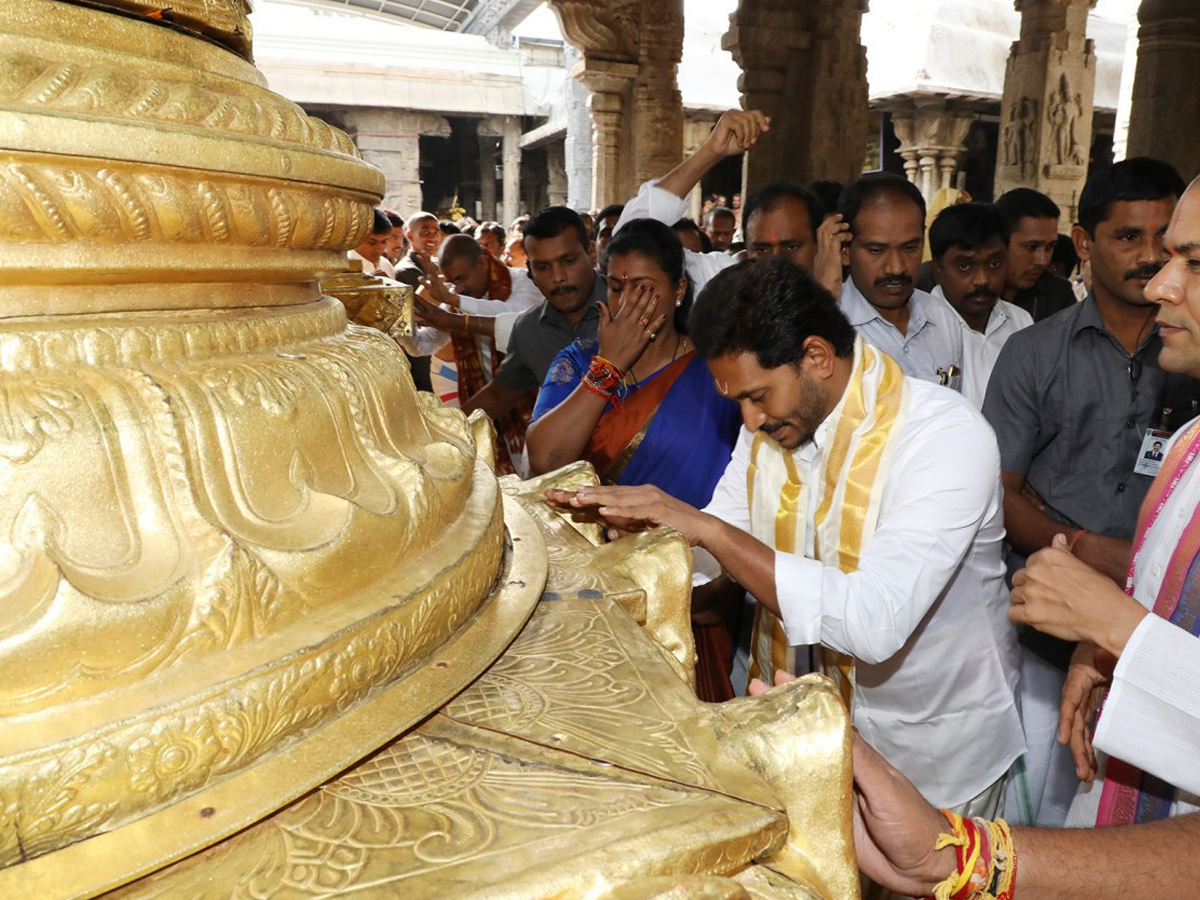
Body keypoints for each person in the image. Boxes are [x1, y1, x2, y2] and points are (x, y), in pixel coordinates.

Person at [549, 257, 1024, 823]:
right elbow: (714, 549)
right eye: (737, 403)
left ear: (817, 357)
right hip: (800, 741)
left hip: (932, 756)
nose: (748, 422)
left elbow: (873, 624)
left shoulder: (944, 437)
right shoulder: (776, 427)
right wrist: (649, 538)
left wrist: (705, 529)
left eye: (757, 395)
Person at [983, 156, 1198, 828]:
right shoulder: (1036, 354)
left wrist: (1120, 605)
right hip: (1056, 636)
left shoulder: (1186, 369)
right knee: (1051, 805)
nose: (1156, 270)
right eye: (1129, 239)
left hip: (1153, 635)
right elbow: (998, 490)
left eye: (1179, 252)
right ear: (1085, 243)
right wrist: (1080, 551)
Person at [615, 109, 846, 300]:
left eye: (791, 247)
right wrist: (711, 151)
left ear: (821, 245)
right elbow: (631, 239)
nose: (776, 263)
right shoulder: (729, 288)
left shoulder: (859, 302)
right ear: (747, 249)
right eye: (762, 249)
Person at [462, 207, 604, 422]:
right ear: (530, 271)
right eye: (543, 267)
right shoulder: (529, 330)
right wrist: (438, 430)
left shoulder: (631, 309)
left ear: (591, 254)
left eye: (568, 261)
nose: (558, 277)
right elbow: (497, 396)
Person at [837, 173, 964, 387]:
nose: (896, 267)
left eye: (910, 248)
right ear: (844, 249)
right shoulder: (828, 324)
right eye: (877, 250)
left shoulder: (942, 318)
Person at [928, 202, 1032, 409]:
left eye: (994, 264)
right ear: (937, 269)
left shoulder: (1021, 323)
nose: (982, 280)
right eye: (964, 266)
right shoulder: (920, 328)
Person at [995, 188, 1078, 322]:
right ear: (1000, 243)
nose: (1043, 261)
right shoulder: (974, 293)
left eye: (1050, 247)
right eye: (1031, 247)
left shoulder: (1058, 295)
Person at [347, 208, 396, 278]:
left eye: (384, 242)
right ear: (356, 238)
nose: (380, 248)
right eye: (372, 242)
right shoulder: (343, 268)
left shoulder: (386, 265)